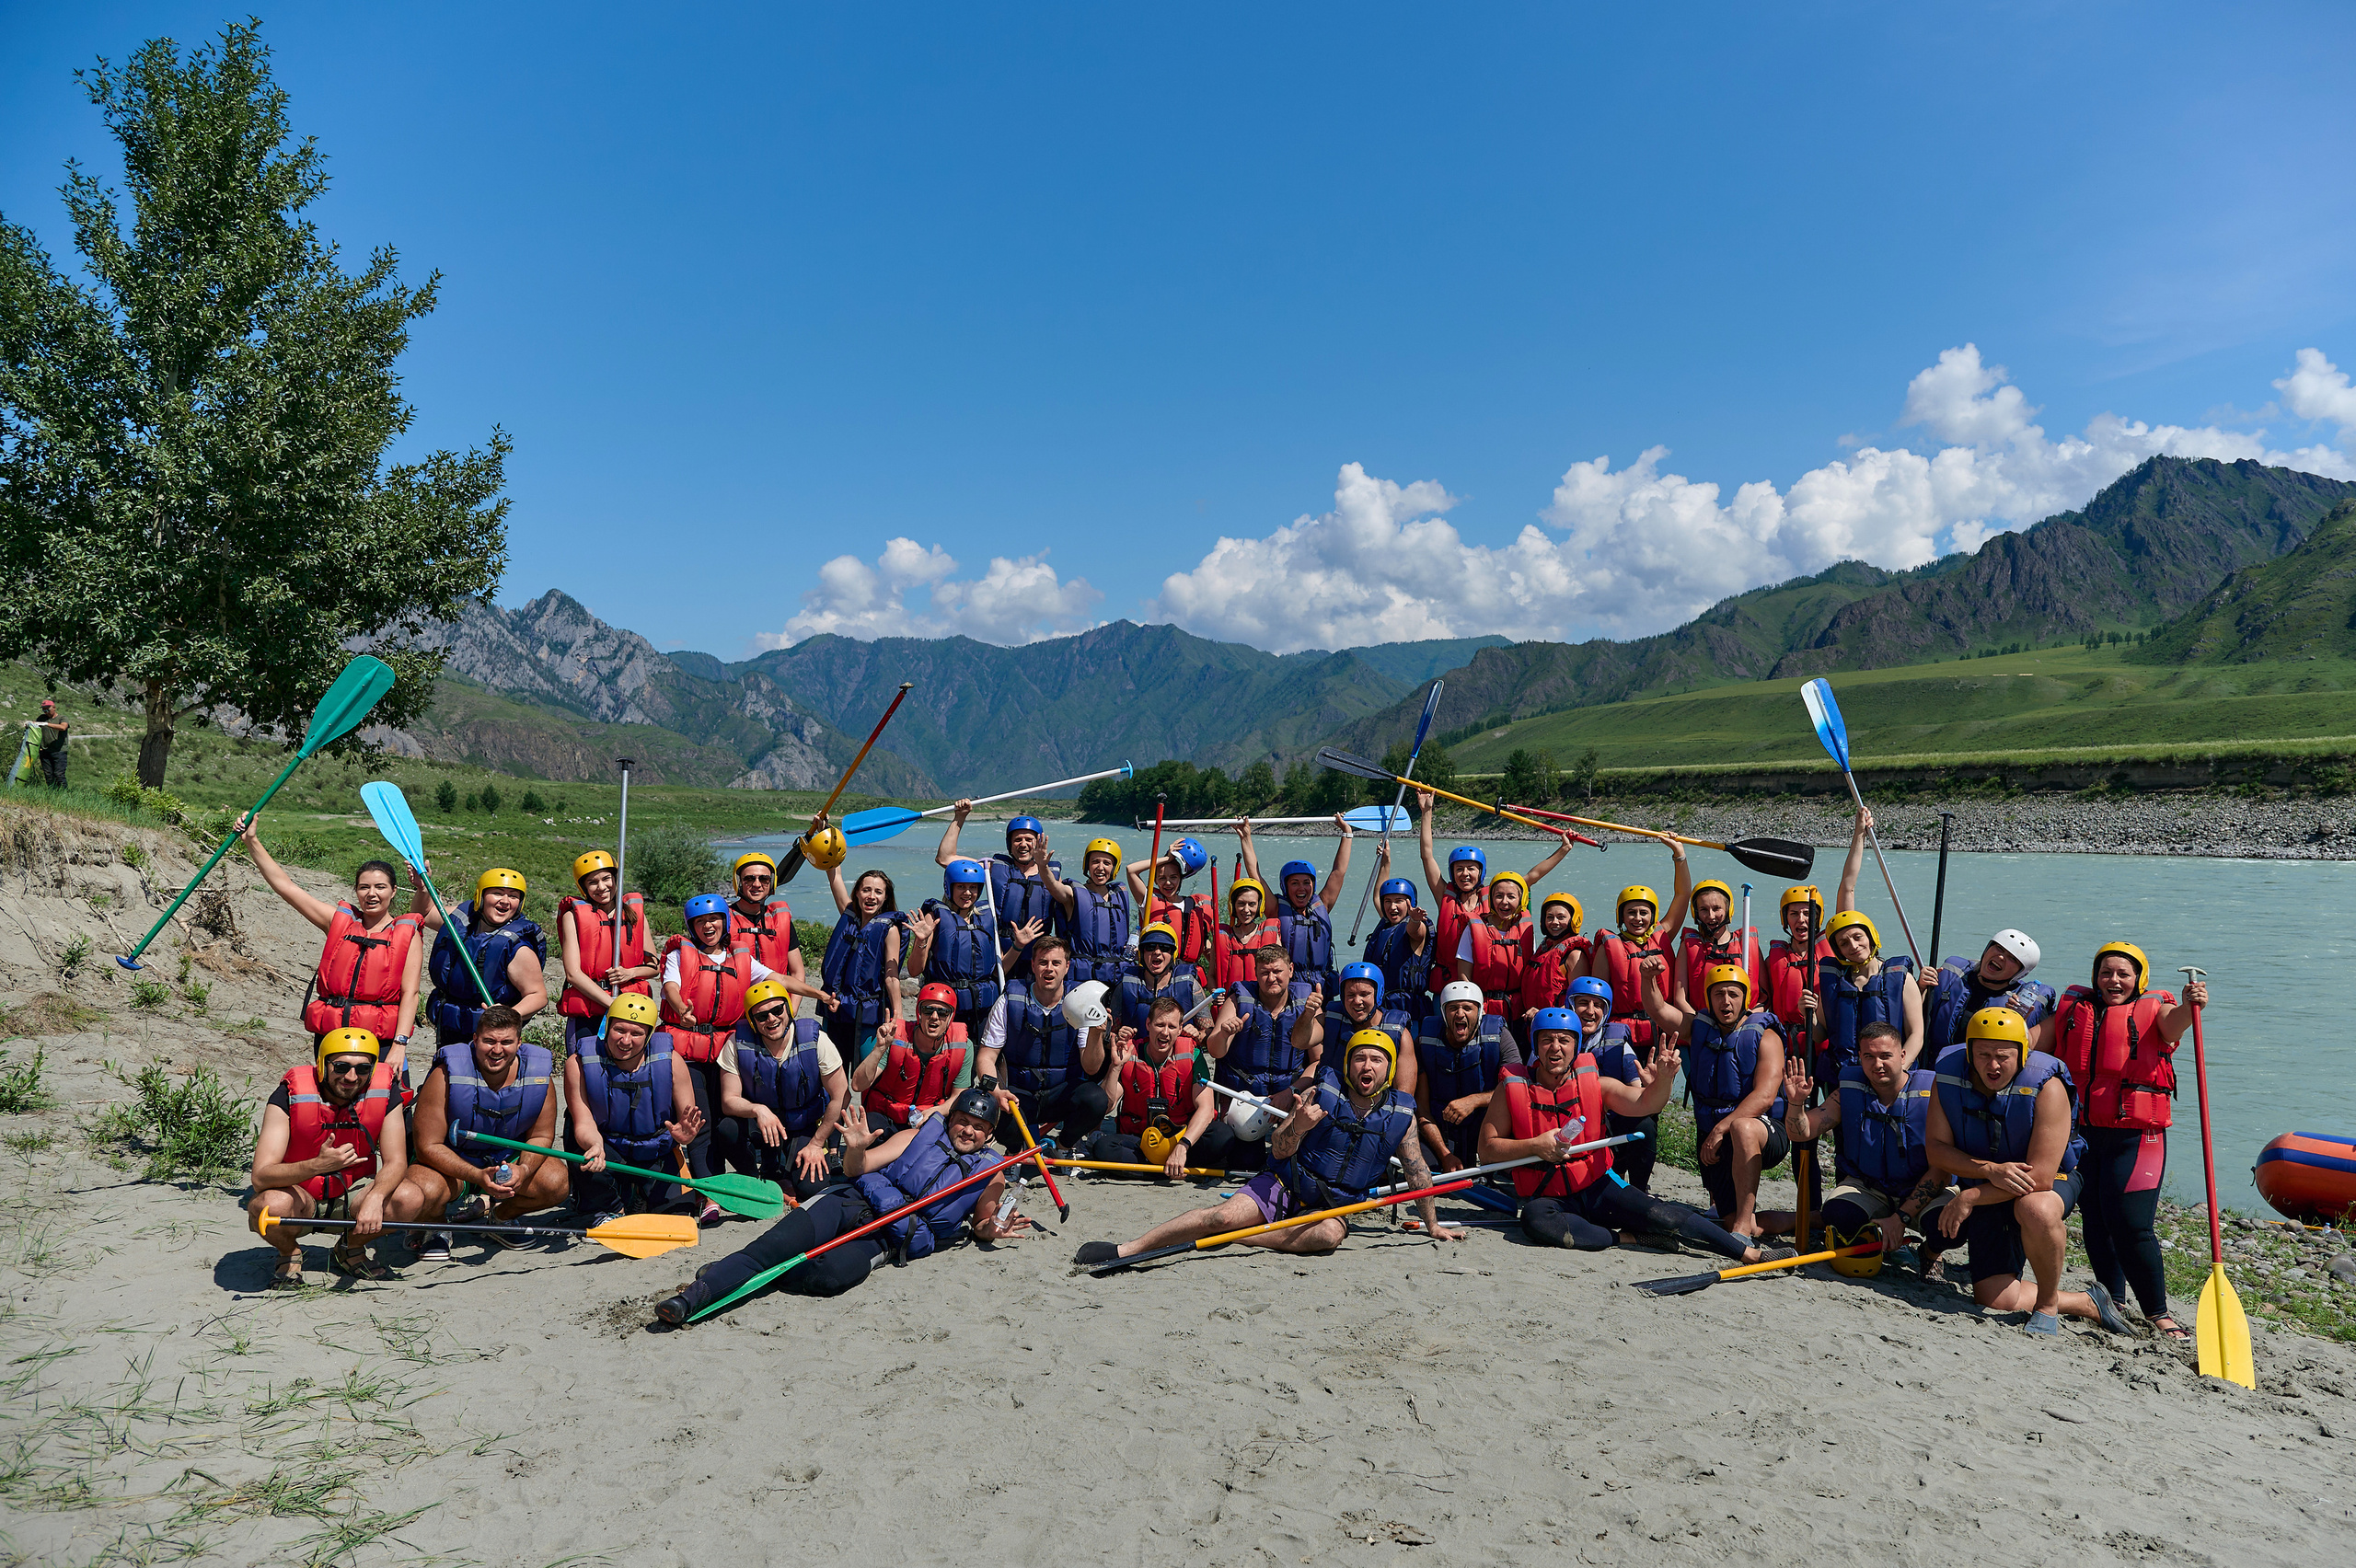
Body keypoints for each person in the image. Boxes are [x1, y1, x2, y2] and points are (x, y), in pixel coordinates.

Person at [1075, 1030, 1463, 1266]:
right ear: (1348, 1065)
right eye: (1360, 1057)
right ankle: (1128, 1248)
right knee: (1219, 1217)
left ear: (1389, 1068)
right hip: (1286, 1184)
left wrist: (1432, 1225)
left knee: (1328, 1236)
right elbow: (1278, 1149)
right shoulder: (1319, 1095)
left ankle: (1241, 1236)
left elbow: (1417, 1172)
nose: (1367, 1066)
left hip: (1334, 1205)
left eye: (1377, 1059)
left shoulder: (1402, 1116)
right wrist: (1299, 1127)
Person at [657, 1087, 1034, 1320]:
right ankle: (691, 1299)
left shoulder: (992, 1175)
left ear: (989, 1134)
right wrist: (855, 1149)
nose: (968, 1130)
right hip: (849, 1202)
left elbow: (981, 1225)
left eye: (978, 1127)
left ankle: (734, 1272)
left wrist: (992, 1229)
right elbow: (859, 1168)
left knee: (830, 1278)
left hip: (887, 1238)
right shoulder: (915, 1136)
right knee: (772, 1247)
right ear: (951, 1120)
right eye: (962, 1121)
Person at [1480, 1008, 1787, 1262]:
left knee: (1663, 1215)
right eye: (1547, 1040)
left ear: (1576, 1046)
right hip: (1550, 1198)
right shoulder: (1511, 1089)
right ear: (1535, 1045)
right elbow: (1488, 1150)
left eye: (1564, 1040)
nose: (1555, 1048)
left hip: (1597, 1187)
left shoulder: (1596, 1084)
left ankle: (1746, 1252)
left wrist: (1664, 1080)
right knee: (1533, 1219)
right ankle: (1625, 1238)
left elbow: (1645, 1104)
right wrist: (1535, 1145)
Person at [1926, 1008, 2131, 1337]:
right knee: (1997, 1300)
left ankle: (2047, 1305)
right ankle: (2086, 1302)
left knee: (2035, 1207)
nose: (1993, 1065)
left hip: (2048, 1181)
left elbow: (2040, 1178)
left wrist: (1971, 1196)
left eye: (2003, 1056)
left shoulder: (2048, 1087)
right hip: (1988, 1178)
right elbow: (1936, 1148)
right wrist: (1989, 1170)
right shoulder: (1948, 1077)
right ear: (1969, 1053)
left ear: (2022, 1054)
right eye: (1983, 1055)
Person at [2044, 943, 2207, 1342]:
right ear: (2095, 976)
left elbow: (2174, 1025)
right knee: (2096, 1218)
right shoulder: (2074, 1009)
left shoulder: (2156, 1010)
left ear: (2139, 979)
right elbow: (2030, 1041)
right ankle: (2112, 1300)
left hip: (2137, 1135)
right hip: (2082, 1133)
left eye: (2123, 974)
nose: (2113, 981)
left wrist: (2191, 1005)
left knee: (2132, 1225)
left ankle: (2158, 1313)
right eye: (2106, 973)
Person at [665, 892, 833, 1217]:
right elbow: (671, 986)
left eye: (714, 920)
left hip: (725, 1047)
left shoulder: (740, 958)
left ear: (725, 922)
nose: (708, 926)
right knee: (699, 1121)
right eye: (700, 922)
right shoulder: (679, 955)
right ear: (691, 927)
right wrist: (681, 1008)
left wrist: (819, 994)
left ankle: (750, 1179)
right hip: (690, 1050)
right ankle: (709, 1194)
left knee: (727, 1123)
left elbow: (779, 979)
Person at [237, 813, 422, 1074]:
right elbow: (286, 887)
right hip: (332, 1035)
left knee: (382, 1098)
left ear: (393, 891)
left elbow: (410, 994)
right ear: (356, 891)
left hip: (380, 1041)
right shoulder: (338, 922)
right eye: (364, 887)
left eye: (380, 887)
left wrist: (400, 1045)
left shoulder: (407, 934)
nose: (371, 894)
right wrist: (252, 841)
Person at [248, 1028, 422, 1286]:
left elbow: (396, 1161)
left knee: (409, 1197)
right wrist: (317, 1165)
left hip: (354, 1192)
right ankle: (289, 1252)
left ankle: (350, 1247)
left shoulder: (385, 1092)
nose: (351, 1077)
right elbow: (261, 1177)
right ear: (322, 1065)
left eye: (363, 1069)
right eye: (341, 1067)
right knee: (270, 1205)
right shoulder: (289, 1094)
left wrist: (376, 1198)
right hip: (299, 1196)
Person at [398, 1005, 569, 1261]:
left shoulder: (538, 1074)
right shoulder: (444, 1075)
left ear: (519, 1043)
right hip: (452, 1160)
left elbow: (541, 1137)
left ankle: (500, 1218)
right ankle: (435, 1225)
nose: (497, 1050)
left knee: (556, 1183)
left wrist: (523, 1170)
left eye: (506, 1042)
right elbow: (428, 1146)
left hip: (506, 1159)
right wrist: (478, 1176)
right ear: (475, 1039)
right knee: (425, 1189)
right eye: (489, 1041)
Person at [1642, 956, 1789, 1239]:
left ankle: (1742, 1231)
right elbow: (1658, 1010)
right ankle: (1802, 1220)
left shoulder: (1766, 1036)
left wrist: (1721, 1129)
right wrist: (1648, 978)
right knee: (1729, 1219)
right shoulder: (1699, 1026)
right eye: (1719, 994)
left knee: (1742, 1126)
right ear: (1709, 998)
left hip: (1762, 1131)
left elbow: (1765, 1096)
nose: (1726, 1001)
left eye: (1733, 994)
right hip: (1714, 1132)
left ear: (1745, 998)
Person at [1780, 1022, 1950, 1262]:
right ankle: (1881, 1238)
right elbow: (1801, 1133)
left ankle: (1930, 1254)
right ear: (1860, 1057)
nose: (1877, 1064)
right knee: (1838, 1215)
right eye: (1869, 1056)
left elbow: (1941, 1171)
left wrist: (1900, 1218)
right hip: (1870, 1187)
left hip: (1921, 1186)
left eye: (1885, 1056)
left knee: (1949, 1224)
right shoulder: (1847, 1093)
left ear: (1903, 1056)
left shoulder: (1933, 1095)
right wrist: (1796, 1103)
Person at [1413, 789, 1575, 1009]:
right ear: (1452, 873)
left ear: (1481, 873)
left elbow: (1532, 876)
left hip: (1482, 988)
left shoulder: (1496, 899)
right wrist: (1426, 812)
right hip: (1447, 988)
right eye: (1459, 869)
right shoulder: (1444, 895)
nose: (1465, 874)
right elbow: (1427, 856)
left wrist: (1563, 849)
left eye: (1471, 868)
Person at [565, 994, 705, 1219]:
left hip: (655, 1149)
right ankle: (611, 1205)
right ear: (607, 1027)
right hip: (608, 1147)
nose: (626, 1041)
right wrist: (594, 1145)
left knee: (677, 1215)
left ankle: (637, 1193)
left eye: (637, 1033)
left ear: (649, 1036)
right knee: (578, 1140)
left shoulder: (671, 1061)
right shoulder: (577, 1063)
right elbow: (583, 1122)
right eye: (619, 1030)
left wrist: (685, 1136)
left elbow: (686, 1118)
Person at [718, 978, 852, 1202]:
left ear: (788, 1009)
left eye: (777, 1010)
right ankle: (754, 1178)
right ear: (752, 1021)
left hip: (802, 1124)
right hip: (761, 1125)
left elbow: (841, 1096)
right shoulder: (736, 1043)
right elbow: (728, 1100)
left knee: (811, 1188)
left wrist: (817, 1143)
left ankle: (787, 1168)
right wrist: (758, 1110)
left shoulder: (816, 1040)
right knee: (727, 1128)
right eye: (762, 1016)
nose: (771, 1019)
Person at [975, 935, 1111, 1150]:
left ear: (1067, 967)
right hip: (1019, 1093)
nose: (1049, 969)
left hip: (1061, 1093)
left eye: (1056, 963)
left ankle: (1063, 1146)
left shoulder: (1081, 1004)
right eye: (1043, 963)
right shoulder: (1009, 1001)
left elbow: (1091, 1067)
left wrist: (1095, 1033)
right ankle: (1017, 1151)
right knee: (991, 1106)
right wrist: (996, 1091)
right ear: (1033, 966)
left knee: (1096, 1099)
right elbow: (986, 1056)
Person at [1193, 946, 1316, 1173]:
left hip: (1289, 1096)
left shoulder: (1307, 1003)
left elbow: (1318, 1062)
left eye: (1277, 971)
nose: (1271, 978)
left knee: (1298, 1162)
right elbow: (1216, 1051)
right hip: (1247, 1099)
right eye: (1264, 973)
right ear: (1256, 973)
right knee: (1246, 1163)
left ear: (1290, 970)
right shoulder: (1238, 1000)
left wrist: (1290, 1092)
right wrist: (1224, 1033)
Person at [1579, 836, 1697, 1057]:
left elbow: (1683, 895)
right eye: (1631, 913)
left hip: (1662, 1027)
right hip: (1624, 1032)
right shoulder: (1609, 947)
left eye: (1644, 912)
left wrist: (1679, 855)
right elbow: (1598, 996)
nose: (1638, 918)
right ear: (1621, 917)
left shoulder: (1663, 936)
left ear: (1652, 916)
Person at [417, 867, 547, 1048]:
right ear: (481, 897)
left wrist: (506, 1017)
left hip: (490, 1037)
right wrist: (423, 888)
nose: (505, 901)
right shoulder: (462, 920)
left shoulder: (518, 948)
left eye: (513, 896)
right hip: (449, 1024)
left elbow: (538, 996)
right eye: (497, 893)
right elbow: (423, 914)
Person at [936, 804, 1062, 980]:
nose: (1023, 844)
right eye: (1017, 840)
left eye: (1029, 839)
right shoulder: (993, 868)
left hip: (1039, 955)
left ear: (1039, 842)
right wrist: (960, 816)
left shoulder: (1052, 876)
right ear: (1009, 844)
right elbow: (945, 858)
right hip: (1001, 951)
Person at [1239, 815, 1353, 1002]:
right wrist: (1246, 838)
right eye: (1295, 883)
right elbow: (1255, 874)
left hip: (1322, 986)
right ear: (1285, 887)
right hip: (1289, 988)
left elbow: (1338, 872)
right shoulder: (1276, 909)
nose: (1301, 888)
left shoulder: (1323, 904)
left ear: (1313, 885)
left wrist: (1347, 833)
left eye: (1306, 882)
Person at [1099, 995, 1215, 1175]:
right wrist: (1115, 1067)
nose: (1165, 1032)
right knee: (1103, 1147)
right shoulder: (1130, 1053)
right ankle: (1167, 1170)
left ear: (1180, 1029)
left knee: (1221, 1135)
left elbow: (1206, 1109)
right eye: (1160, 1025)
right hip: (1141, 1139)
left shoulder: (1193, 1054)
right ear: (1148, 1025)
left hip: (1181, 1138)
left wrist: (1182, 1146)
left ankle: (1165, 1166)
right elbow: (1107, 1105)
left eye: (1172, 1027)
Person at [555, 849, 655, 1055]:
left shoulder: (634, 914)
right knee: (585, 1066)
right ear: (583, 887)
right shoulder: (572, 917)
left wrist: (630, 973)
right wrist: (612, 1004)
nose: (601, 887)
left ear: (615, 878)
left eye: (606, 879)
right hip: (590, 1010)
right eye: (592, 882)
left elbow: (654, 967)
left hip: (628, 1009)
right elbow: (573, 974)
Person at [1414, 979, 1519, 1172]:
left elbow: (1517, 1090)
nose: (1460, 1014)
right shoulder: (1424, 1042)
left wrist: (1473, 1101)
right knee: (1428, 1169)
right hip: (1440, 1129)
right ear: (1443, 1012)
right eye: (1453, 1008)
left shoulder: (1500, 1037)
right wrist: (1445, 1155)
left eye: (1467, 1008)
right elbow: (1422, 1109)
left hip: (1486, 1125)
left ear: (1479, 1012)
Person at [1565, 976, 1657, 1192]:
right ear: (1570, 1005)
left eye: (1598, 1005)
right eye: (1583, 1003)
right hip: (1565, 1122)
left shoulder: (1618, 1043)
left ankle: (1638, 1190)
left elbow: (1637, 1093)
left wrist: (1654, 1086)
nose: (1590, 1011)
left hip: (1608, 1122)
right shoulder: (1553, 1036)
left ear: (1606, 1012)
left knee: (1645, 1124)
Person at [853, 981, 976, 1131]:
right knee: (870, 1127)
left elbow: (958, 1096)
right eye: (927, 1010)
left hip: (930, 1117)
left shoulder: (963, 1046)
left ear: (951, 1016)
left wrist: (936, 1111)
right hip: (887, 1116)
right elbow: (858, 1085)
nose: (934, 1017)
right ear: (919, 1013)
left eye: (943, 1012)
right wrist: (879, 1048)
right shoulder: (895, 1037)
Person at [819, 866, 908, 1062]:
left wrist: (898, 1016)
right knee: (833, 1072)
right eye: (866, 890)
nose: (871, 896)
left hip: (869, 1013)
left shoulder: (890, 930)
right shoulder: (849, 915)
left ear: (886, 897)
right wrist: (829, 850)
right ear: (857, 893)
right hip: (837, 1009)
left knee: (868, 1075)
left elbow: (891, 977)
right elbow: (835, 876)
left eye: (878, 892)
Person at [907, 859, 1006, 1036]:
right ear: (949, 887)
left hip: (982, 1007)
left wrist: (1018, 946)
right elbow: (914, 970)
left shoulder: (987, 918)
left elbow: (999, 970)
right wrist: (921, 941)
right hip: (945, 1006)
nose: (967, 893)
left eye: (973, 887)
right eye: (961, 887)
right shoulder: (934, 918)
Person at [1921, 929, 2054, 1053]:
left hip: (1985, 1069)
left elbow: (2032, 1052)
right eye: (1999, 948)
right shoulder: (1952, 975)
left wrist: (2018, 1022)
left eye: (2012, 959)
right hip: (1933, 1063)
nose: (2001, 957)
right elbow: (1916, 1016)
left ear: (2021, 973)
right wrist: (1920, 987)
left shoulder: (2024, 1003)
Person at [1303, 960, 1418, 1100]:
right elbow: (1300, 1042)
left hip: (1378, 1105)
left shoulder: (1399, 1034)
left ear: (1378, 994)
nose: (1357, 1001)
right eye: (1350, 995)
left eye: (1364, 994)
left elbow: (1404, 1094)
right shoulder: (1329, 1019)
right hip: (1333, 1100)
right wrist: (1308, 1014)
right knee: (1305, 1098)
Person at [1360, 848, 1436, 1029]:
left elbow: (1415, 931)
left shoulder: (1417, 927)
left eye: (1399, 901)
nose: (1392, 907)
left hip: (1409, 1008)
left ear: (1410, 903)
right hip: (1382, 1006)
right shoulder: (1386, 925)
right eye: (1388, 901)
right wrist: (1385, 861)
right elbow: (1378, 894)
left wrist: (1415, 919)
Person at [1454, 870, 1535, 1035]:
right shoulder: (1474, 928)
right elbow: (1464, 975)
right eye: (1499, 896)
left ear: (1521, 900)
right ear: (1491, 899)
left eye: (1511, 897)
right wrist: (1474, 1006)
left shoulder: (1526, 930)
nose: (1504, 902)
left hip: (1518, 1010)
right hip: (1484, 1008)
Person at [1047, 836, 1133, 989]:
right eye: (1095, 862)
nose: (1100, 867)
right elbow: (1054, 886)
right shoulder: (1073, 895)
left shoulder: (1119, 896)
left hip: (1116, 977)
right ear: (1087, 865)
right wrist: (1042, 866)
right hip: (1081, 979)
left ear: (1114, 868)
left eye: (1107, 863)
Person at [1672, 879, 1764, 1013]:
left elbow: (1764, 997)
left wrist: (1749, 1017)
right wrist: (1700, 1021)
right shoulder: (1688, 947)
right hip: (1701, 1019)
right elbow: (1680, 999)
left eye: (1716, 909)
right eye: (1704, 909)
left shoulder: (1747, 944)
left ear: (1728, 909)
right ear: (1695, 912)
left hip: (1745, 1020)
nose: (1711, 916)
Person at [1126, 835, 1214, 974]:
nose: (1168, 883)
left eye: (1173, 877)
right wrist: (1167, 858)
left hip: (1188, 974)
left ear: (1180, 879)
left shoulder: (1194, 905)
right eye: (1162, 878)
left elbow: (1204, 944)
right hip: (1157, 972)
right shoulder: (1148, 900)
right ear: (1155, 881)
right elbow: (1131, 870)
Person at [725, 852, 807, 986]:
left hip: (776, 996)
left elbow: (797, 972)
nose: (757, 884)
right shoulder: (724, 920)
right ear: (739, 882)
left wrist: (793, 1000)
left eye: (764, 879)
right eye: (749, 879)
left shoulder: (780, 921)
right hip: (738, 997)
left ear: (771, 883)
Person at [1114, 922, 1205, 1040]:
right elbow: (1108, 1036)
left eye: (1164, 948)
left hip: (1176, 1051)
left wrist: (1198, 1035)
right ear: (1142, 953)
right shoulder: (1124, 986)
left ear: (1172, 954)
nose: (1157, 952)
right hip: (1137, 1050)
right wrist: (1117, 1037)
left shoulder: (1191, 985)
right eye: (1150, 947)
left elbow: (1208, 1034)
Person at [1517, 890, 1587, 1034]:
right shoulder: (1543, 951)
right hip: (1535, 1027)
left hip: (1559, 1029)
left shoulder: (1574, 956)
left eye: (1561, 917)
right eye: (1550, 917)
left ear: (1574, 919)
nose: (1555, 922)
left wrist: (1544, 1015)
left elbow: (1579, 1001)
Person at [1210, 873, 1281, 994]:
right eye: (1241, 904)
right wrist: (1214, 992)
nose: (1246, 910)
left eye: (1252, 904)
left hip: (1261, 1001)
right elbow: (1212, 975)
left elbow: (1280, 973)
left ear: (1259, 905)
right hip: (1230, 1001)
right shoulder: (1221, 936)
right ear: (1233, 905)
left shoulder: (1270, 934)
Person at [34, 697, 66, 787]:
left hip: (59, 751)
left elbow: (63, 727)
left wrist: (47, 724)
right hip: (45, 751)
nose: (46, 712)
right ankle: (52, 792)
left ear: (54, 708)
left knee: (59, 775)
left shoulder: (62, 718)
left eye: (47, 710)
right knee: (48, 775)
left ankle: (64, 792)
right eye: (44, 710)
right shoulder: (41, 718)